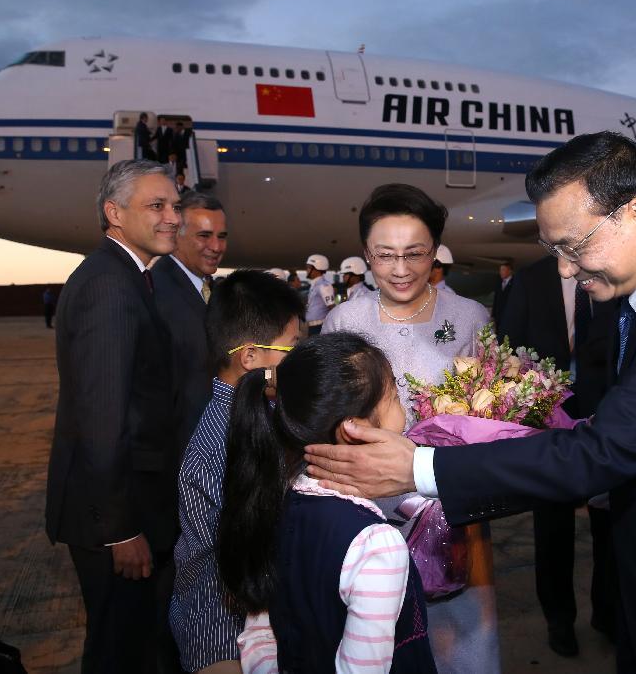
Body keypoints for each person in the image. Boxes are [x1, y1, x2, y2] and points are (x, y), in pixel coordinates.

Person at [305, 133, 636, 674]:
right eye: (555, 251)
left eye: (574, 245)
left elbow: (602, 452)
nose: (566, 270)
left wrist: (418, 466)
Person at [321, 183, 499, 674]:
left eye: (415, 254)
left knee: (459, 641)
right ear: (366, 255)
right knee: (376, 639)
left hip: (448, 506)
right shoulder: (344, 320)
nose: (401, 270)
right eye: (385, 256)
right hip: (366, 505)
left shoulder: (468, 316)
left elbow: (487, 417)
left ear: (435, 252)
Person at [217, 332, 437, 673]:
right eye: (394, 396)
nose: (404, 409)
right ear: (354, 429)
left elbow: (260, 634)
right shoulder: (376, 544)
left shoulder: (272, 502)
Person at [46, 159, 181, 674]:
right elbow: (102, 421)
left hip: (124, 502)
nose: (173, 217)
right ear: (114, 213)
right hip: (114, 515)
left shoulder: (128, 275)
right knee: (120, 653)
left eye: (174, 205)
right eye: (157, 206)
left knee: (133, 645)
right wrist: (120, 531)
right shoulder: (110, 285)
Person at [170, 269, 304, 674]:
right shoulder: (223, 444)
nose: (300, 360)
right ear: (250, 357)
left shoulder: (256, 415)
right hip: (223, 634)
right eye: (293, 349)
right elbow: (241, 554)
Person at [497, 255, 618, 654]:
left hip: (606, 411)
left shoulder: (609, 268)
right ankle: (559, 619)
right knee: (552, 522)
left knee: (609, 521)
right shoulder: (530, 279)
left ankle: (607, 610)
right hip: (548, 416)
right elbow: (509, 343)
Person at [152, 191, 229, 453]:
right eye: (204, 236)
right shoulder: (158, 293)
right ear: (176, 235)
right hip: (181, 450)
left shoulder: (206, 289)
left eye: (221, 237)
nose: (216, 247)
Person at [304, 254, 335, 335]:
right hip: (313, 327)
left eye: (309, 267)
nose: (307, 270)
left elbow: (332, 307)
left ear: (317, 268)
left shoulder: (324, 285)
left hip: (319, 327)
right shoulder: (315, 284)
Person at [491, 261, 513, 329]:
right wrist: (494, 315)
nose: (501, 272)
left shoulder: (516, 283)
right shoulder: (499, 283)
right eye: (500, 270)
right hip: (499, 317)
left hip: (510, 316)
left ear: (509, 271)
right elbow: (496, 299)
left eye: (503, 270)